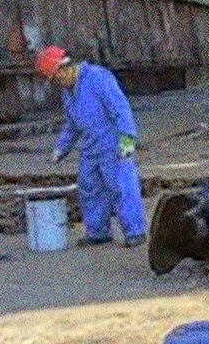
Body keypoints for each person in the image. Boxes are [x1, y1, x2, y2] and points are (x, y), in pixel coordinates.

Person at [34, 46, 147, 246]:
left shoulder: (97, 78)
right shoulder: (68, 92)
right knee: (90, 190)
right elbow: (72, 125)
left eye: (57, 79)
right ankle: (98, 233)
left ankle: (135, 232)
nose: (58, 84)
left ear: (65, 68)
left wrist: (128, 139)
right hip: (90, 148)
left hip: (113, 145)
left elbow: (120, 109)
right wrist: (61, 147)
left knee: (121, 187)